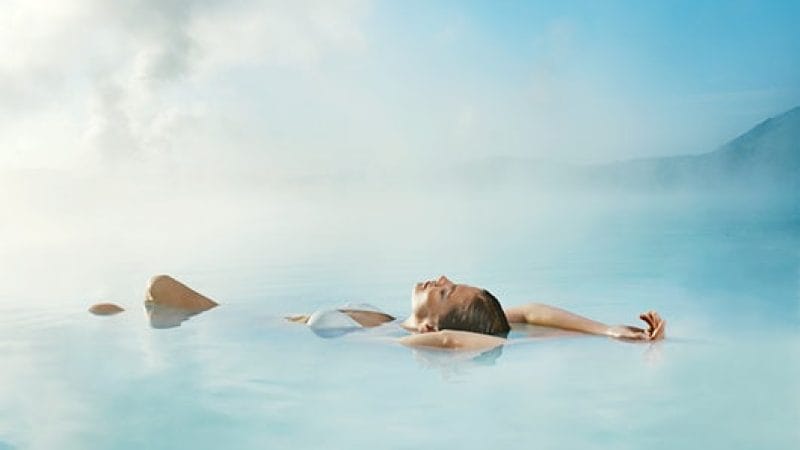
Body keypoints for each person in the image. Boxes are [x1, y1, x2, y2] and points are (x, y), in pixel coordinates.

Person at [288, 275, 665, 350]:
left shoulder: (397, 340)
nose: (439, 278)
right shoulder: (387, 320)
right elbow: (529, 313)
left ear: (431, 325)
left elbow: (461, 339)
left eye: (445, 291)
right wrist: (604, 330)